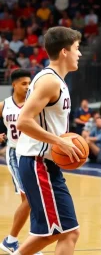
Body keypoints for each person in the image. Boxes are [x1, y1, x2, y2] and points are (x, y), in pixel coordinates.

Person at [13, 26, 83, 255]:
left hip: (44, 163)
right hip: (38, 163)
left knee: (67, 231)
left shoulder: (55, 80)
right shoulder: (49, 81)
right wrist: (60, 142)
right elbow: (23, 121)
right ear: (64, 52)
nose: (79, 53)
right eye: (76, 48)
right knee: (59, 232)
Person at [0, 69, 42, 255]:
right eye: (24, 83)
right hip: (15, 154)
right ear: (14, 85)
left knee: (31, 200)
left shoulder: (34, 103)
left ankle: (22, 241)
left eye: (29, 83)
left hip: (31, 153)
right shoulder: (4, 105)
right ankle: (11, 241)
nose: (27, 86)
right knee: (30, 199)